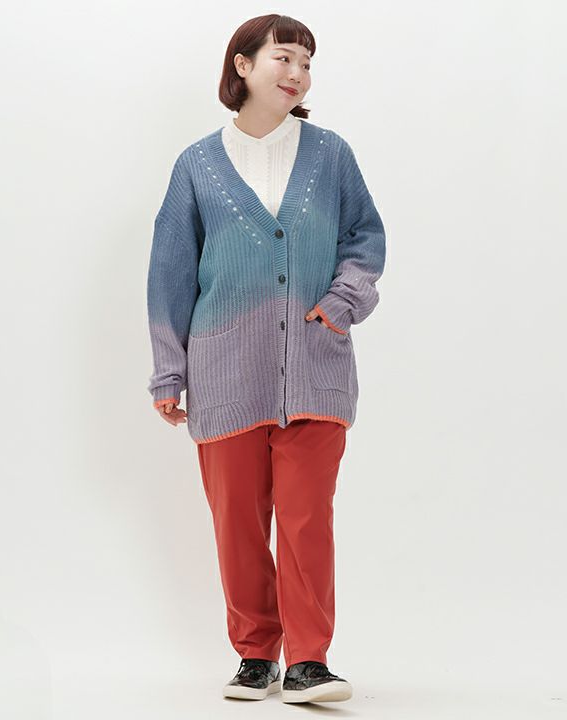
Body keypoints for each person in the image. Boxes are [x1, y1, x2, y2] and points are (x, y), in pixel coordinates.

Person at [146, 13, 386, 704]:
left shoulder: (330, 155)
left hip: (316, 367)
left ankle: (308, 660)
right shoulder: (197, 165)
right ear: (243, 65)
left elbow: (365, 238)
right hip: (223, 371)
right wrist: (169, 370)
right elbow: (169, 273)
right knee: (237, 522)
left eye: (307, 62)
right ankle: (256, 654)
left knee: (308, 518)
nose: (298, 73)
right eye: (284, 57)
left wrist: (339, 304)